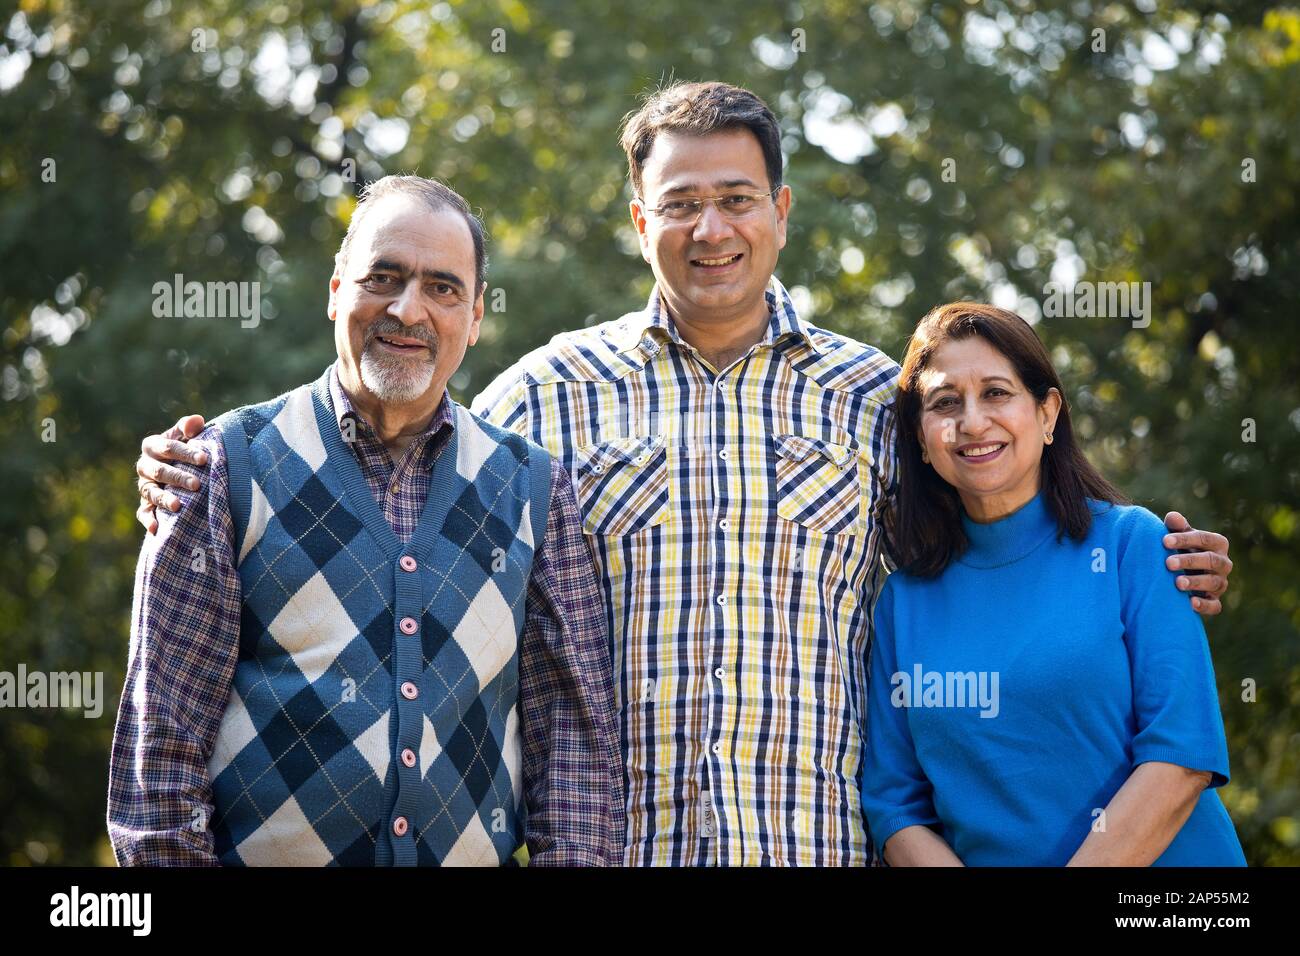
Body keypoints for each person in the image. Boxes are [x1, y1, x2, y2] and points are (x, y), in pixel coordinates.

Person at [132, 82, 1234, 866]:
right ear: (638, 221)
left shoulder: (874, 401)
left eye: (738, 197)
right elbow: (398, 417)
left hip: (822, 848)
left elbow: (1012, 521)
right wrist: (202, 462)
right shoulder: (543, 399)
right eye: (680, 203)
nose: (711, 227)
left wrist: (1153, 561)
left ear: (780, 211)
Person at [109, 176, 622, 866]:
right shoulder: (224, 468)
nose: (408, 311)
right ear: (335, 292)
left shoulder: (534, 488)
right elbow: (161, 751)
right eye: (383, 277)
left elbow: (572, 752)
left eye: (443, 289)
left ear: (473, 320)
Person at [862, 303, 1245, 866]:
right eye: (945, 403)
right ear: (921, 438)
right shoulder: (903, 604)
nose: (971, 421)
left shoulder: (1133, 547)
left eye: (996, 393)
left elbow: (1180, 752)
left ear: (1047, 413)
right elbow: (896, 806)